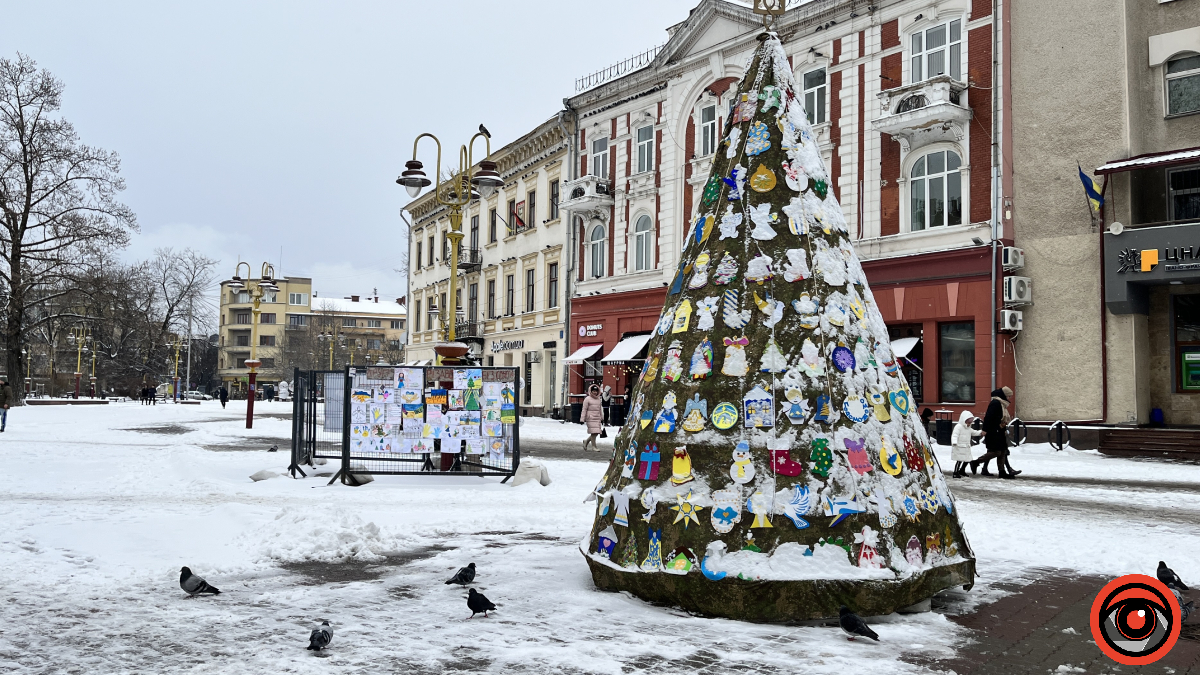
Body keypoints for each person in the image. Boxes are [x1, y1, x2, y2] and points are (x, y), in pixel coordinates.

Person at [971, 386, 1021, 478]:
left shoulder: (1002, 404)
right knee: (996, 452)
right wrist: (985, 430)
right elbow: (989, 417)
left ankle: (1002, 472)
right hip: (993, 432)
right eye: (1008, 396)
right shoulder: (996, 403)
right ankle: (976, 462)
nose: (1009, 398)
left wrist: (1002, 425)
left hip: (999, 431)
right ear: (1004, 395)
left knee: (1002, 451)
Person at [950, 410, 980, 478]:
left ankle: (962, 470)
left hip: (966, 447)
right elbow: (955, 435)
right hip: (959, 447)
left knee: (968, 459)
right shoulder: (959, 427)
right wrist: (954, 442)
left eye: (970, 423)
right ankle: (955, 472)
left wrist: (981, 432)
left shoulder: (968, 428)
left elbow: (974, 432)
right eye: (968, 422)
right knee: (959, 460)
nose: (969, 424)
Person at [580, 384, 604, 452]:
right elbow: (584, 409)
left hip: (597, 418)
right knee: (594, 432)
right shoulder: (587, 399)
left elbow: (600, 409)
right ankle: (594, 446)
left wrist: (602, 418)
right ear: (590, 391)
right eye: (593, 391)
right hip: (590, 418)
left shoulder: (598, 399)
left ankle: (586, 441)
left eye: (596, 391)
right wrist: (582, 419)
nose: (595, 392)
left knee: (596, 432)